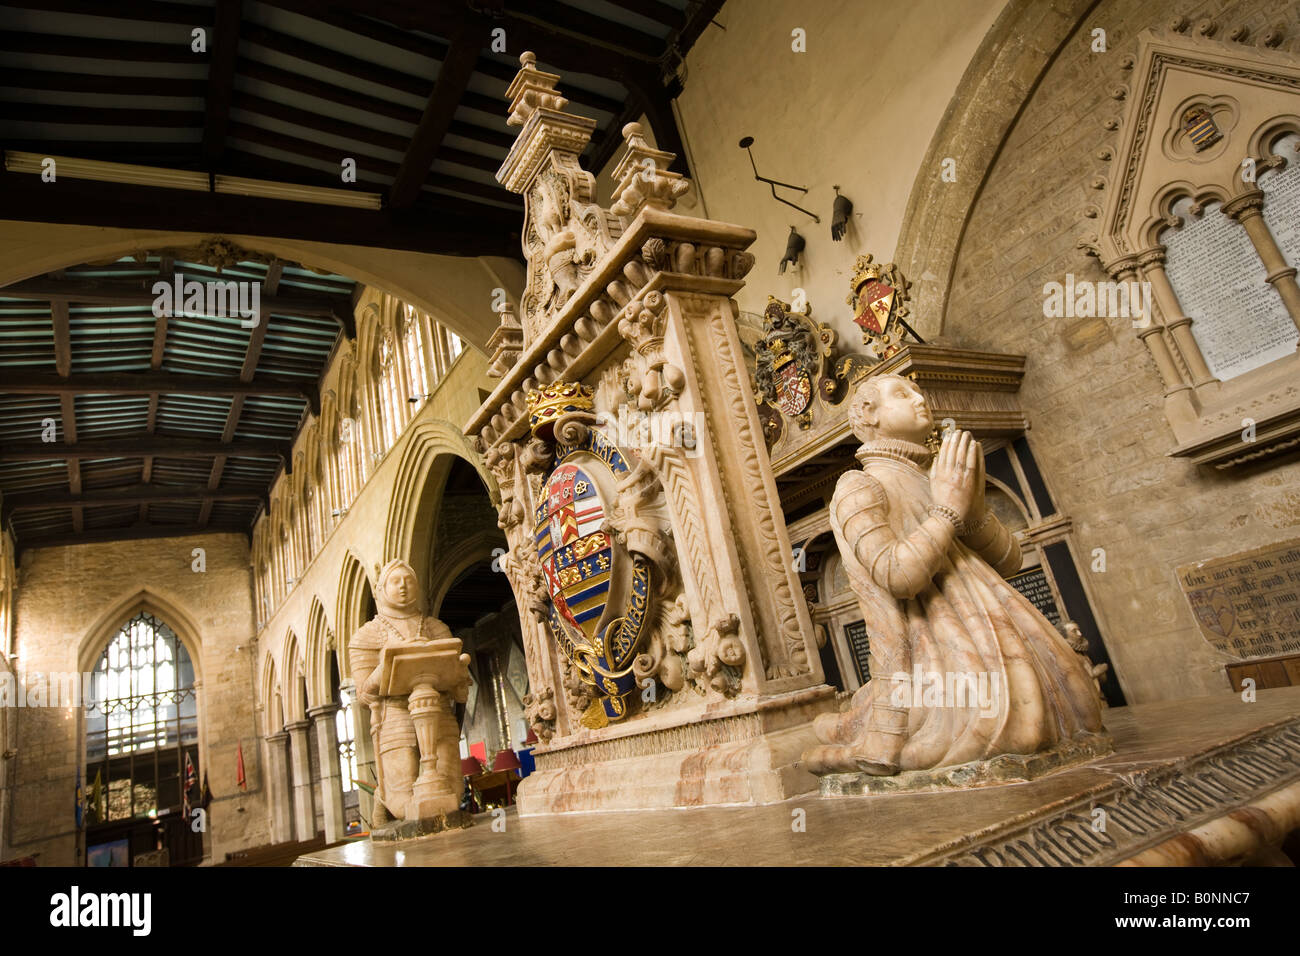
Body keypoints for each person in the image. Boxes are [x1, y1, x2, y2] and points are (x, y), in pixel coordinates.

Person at [803, 374, 1104, 776]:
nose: (918, 398)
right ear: (868, 414)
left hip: (991, 628)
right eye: (901, 393)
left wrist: (973, 512)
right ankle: (839, 745)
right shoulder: (859, 486)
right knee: (999, 728)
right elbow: (898, 576)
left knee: (1079, 706)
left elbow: (1009, 562)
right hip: (935, 652)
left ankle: (842, 733)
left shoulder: (934, 477)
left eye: (916, 390)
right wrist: (946, 511)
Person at [348, 559, 455, 820]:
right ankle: (383, 799)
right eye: (396, 582)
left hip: (438, 712)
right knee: (404, 804)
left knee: (450, 791)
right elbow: (363, 693)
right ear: (382, 589)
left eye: (409, 581)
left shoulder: (435, 628)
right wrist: (387, 667)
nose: (404, 587)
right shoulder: (367, 636)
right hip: (395, 718)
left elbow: (456, 675)